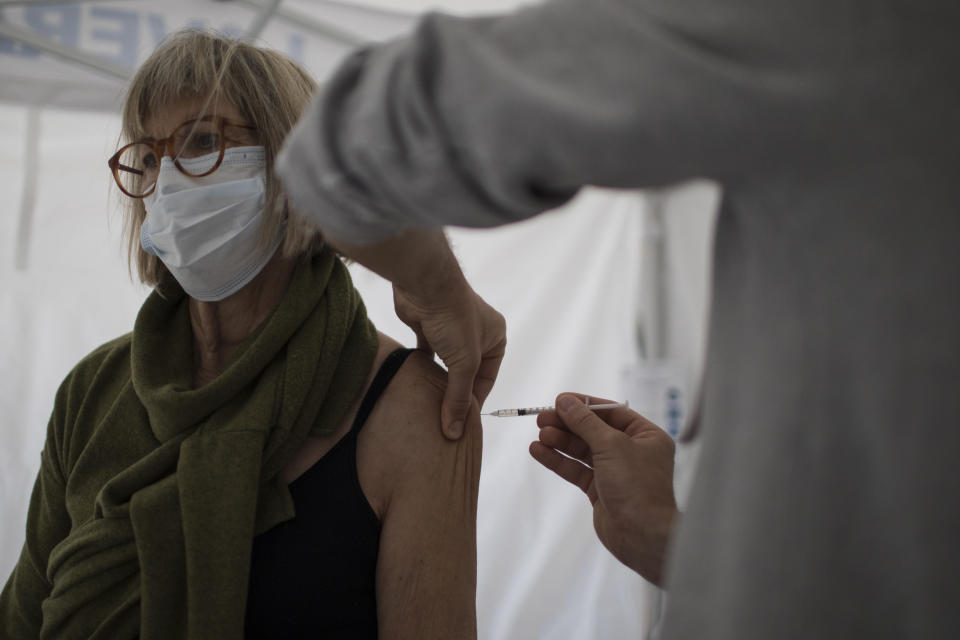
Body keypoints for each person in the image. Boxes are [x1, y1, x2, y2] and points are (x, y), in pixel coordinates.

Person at [273, 0, 960, 638]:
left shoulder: (854, 27)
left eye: (212, 140)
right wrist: (665, 537)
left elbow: (345, 145)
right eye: (155, 155)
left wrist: (436, 285)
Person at [0, 29, 480, 639]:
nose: (168, 182)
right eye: (147, 157)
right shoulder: (92, 391)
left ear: (296, 166)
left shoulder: (411, 407)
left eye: (204, 141)